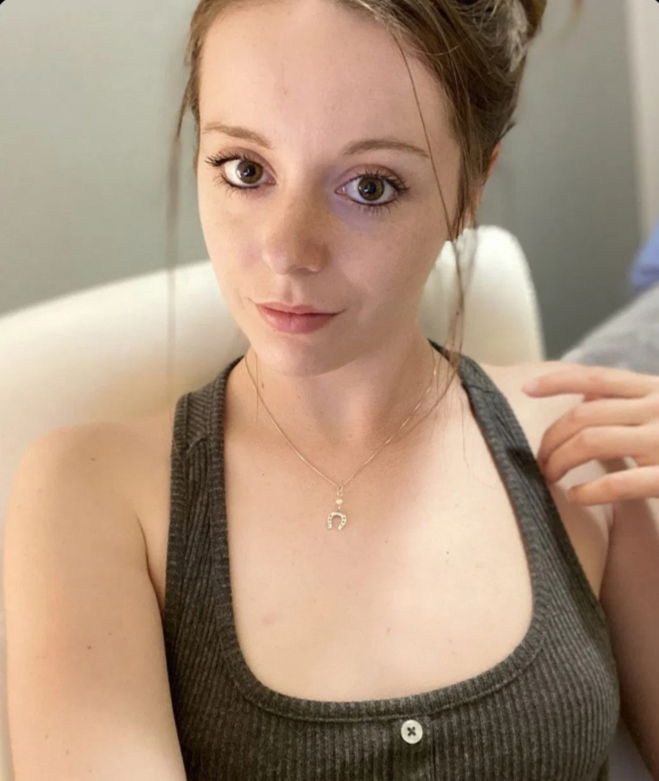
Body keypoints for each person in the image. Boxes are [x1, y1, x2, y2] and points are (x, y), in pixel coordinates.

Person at [8, 0, 640, 779]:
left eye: (369, 186)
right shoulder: (95, 494)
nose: (287, 250)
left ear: (469, 188)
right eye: (245, 169)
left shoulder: (581, 446)